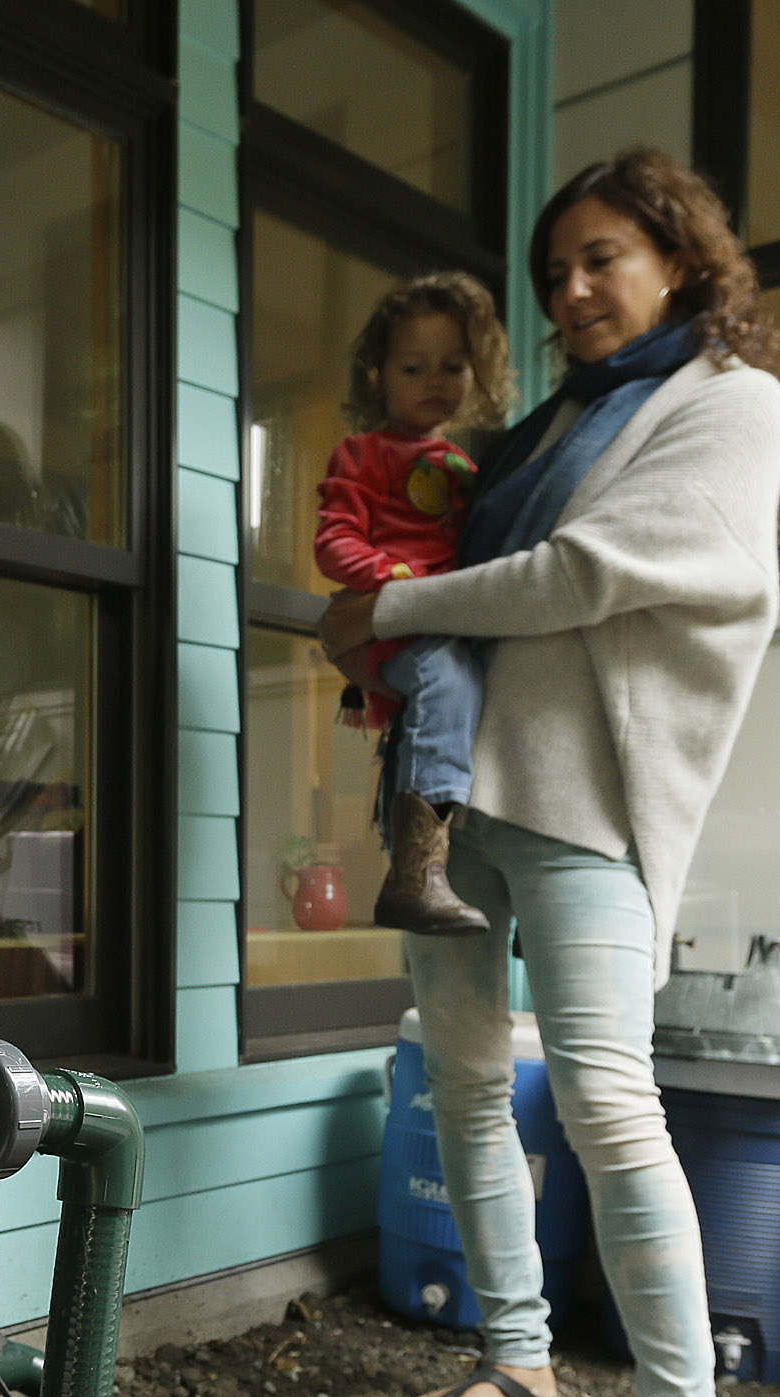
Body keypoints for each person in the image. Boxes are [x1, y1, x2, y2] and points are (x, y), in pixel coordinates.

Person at [317, 146, 780, 1397]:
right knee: (460, 1075)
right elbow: (466, 557)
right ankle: (517, 1356)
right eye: (557, 273)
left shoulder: (728, 402)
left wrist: (382, 602)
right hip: (458, 804)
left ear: (682, 257)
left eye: (604, 258)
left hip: (591, 803)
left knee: (602, 1091)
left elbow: (591, 572)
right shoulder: (541, 427)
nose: (576, 290)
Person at [312, 273, 516, 935]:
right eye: (412, 366)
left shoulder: (463, 466)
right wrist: (389, 578)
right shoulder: (364, 453)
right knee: (446, 679)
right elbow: (333, 541)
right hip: (391, 628)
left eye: (453, 366)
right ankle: (416, 872)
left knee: (466, 688)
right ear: (378, 376)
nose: (435, 380)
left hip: (440, 625)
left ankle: (445, 863)